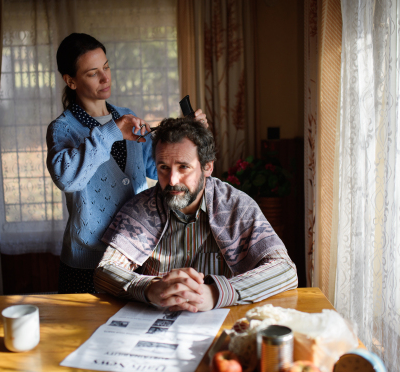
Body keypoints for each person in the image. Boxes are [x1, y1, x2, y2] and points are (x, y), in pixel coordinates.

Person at [46, 33, 207, 294]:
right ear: (71, 81)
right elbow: (67, 178)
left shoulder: (127, 115)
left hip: (135, 253)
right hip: (86, 262)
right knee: (82, 333)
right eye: (92, 73)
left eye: (107, 67)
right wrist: (112, 132)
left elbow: (156, 168)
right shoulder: (62, 129)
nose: (105, 78)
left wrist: (191, 139)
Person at [94, 117, 298, 311]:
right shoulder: (141, 207)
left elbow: (285, 270)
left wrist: (216, 293)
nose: (172, 180)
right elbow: (105, 271)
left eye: (184, 167)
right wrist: (147, 287)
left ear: (207, 166)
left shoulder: (237, 206)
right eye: (163, 167)